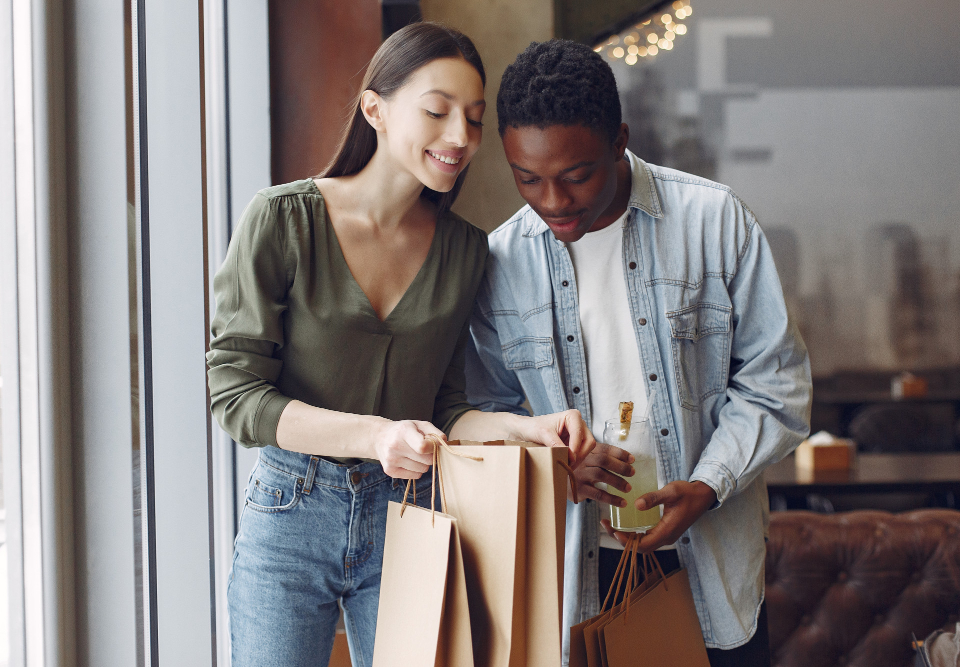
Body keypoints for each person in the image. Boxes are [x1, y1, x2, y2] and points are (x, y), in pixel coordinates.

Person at [208, 24, 594, 667]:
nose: (460, 137)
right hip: (291, 510)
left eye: (474, 118)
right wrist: (376, 436)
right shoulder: (283, 220)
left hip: (411, 511)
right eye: (437, 111)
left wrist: (524, 430)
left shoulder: (465, 251)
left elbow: (445, 408)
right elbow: (234, 394)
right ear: (375, 109)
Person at [465, 39, 812, 667]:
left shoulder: (714, 222)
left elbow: (776, 383)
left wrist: (706, 486)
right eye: (528, 178)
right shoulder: (502, 261)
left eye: (577, 176)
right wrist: (553, 468)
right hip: (575, 573)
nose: (553, 201)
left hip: (712, 555)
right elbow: (484, 415)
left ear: (619, 140)